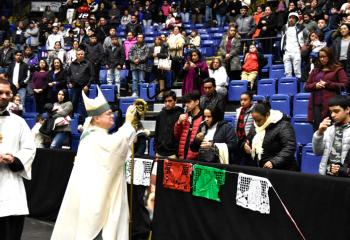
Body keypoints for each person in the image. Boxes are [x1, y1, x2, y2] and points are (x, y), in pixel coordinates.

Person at [51, 87, 136, 240]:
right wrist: (128, 124)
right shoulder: (95, 137)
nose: (113, 116)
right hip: (95, 196)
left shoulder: (92, 135)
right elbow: (116, 147)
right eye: (108, 113)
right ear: (96, 118)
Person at [0, 78, 36, 240]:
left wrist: (14, 160)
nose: (4, 96)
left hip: (11, 189)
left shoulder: (19, 123)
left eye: (7, 93)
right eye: (0, 92)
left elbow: (29, 149)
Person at [243, 101, 298, 170]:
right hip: (263, 169)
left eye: (259, 120)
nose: (256, 123)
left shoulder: (283, 125)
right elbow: (248, 139)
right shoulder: (255, 125)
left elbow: (289, 147)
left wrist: (273, 162)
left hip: (282, 170)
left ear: (267, 115)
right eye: (254, 120)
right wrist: (245, 145)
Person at [305, 47, 348, 130]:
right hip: (316, 106)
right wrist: (315, 85)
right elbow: (306, 86)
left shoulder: (337, 69)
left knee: (331, 131)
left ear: (330, 56)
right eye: (320, 57)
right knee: (318, 130)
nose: (321, 59)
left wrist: (328, 84)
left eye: (324, 56)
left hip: (332, 106)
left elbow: (345, 84)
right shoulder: (315, 71)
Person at [313, 96, 350, 176]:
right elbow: (317, 152)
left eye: (336, 111)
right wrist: (319, 133)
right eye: (331, 112)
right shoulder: (328, 130)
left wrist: (343, 171)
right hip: (326, 176)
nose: (332, 115)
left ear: (347, 110)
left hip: (345, 178)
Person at [174, 90, 203, 160]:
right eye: (185, 102)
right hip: (182, 156)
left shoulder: (203, 117)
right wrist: (178, 123)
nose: (186, 105)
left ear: (197, 102)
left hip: (197, 158)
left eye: (189, 102)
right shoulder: (184, 117)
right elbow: (176, 135)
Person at [281, 12, 308, 79]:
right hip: (286, 51)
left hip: (297, 51)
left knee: (297, 71)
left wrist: (305, 45)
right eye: (290, 17)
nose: (291, 19)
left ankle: (298, 87)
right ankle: (290, 88)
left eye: (293, 18)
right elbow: (282, 38)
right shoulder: (284, 27)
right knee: (287, 72)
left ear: (296, 19)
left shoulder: (301, 27)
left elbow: (308, 35)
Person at [67, 49, 94, 113]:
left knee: (84, 105)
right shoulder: (72, 64)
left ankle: (84, 121)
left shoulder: (88, 63)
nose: (80, 55)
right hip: (74, 87)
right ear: (76, 55)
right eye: (78, 54)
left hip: (84, 88)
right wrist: (69, 83)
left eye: (81, 54)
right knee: (73, 104)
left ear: (84, 55)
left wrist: (87, 86)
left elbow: (92, 75)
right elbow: (68, 75)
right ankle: (73, 120)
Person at [234, 91, 255, 164]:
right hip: (238, 139)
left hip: (249, 140)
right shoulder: (239, 110)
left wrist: (248, 140)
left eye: (245, 100)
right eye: (241, 100)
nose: (242, 102)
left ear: (251, 100)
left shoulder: (255, 110)